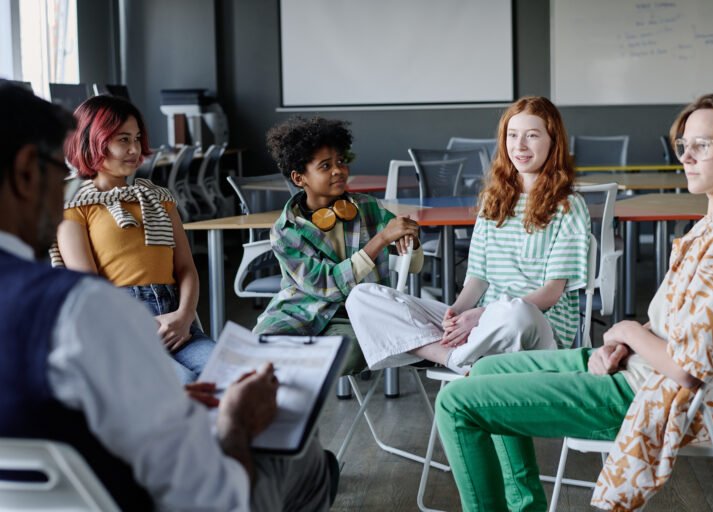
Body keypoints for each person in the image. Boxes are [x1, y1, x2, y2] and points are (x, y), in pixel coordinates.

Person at [0, 81, 335, 510]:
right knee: (302, 449)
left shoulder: (151, 207)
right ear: (28, 171)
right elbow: (210, 499)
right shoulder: (78, 307)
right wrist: (232, 425)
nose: (63, 188)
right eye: (55, 170)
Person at [435, 91, 713, 511]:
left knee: (454, 402)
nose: (686, 156)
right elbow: (678, 330)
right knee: (484, 367)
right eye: (683, 146)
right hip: (634, 368)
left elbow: (688, 370)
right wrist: (620, 344)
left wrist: (626, 330)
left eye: (701, 145)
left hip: (649, 394)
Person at [346, 96, 591, 374]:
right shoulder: (493, 199)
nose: (519, 146)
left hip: (531, 324)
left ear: (552, 142)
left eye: (532, 136)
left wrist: (480, 316)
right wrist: (455, 315)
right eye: (512, 135)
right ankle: (452, 357)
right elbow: (477, 278)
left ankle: (457, 355)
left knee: (515, 312)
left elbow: (551, 293)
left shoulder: (568, 206)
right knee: (361, 296)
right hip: (483, 323)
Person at [54, 95, 214, 383]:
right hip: (117, 326)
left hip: (175, 317)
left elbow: (187, 269)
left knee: (227, 375)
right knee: (184, 386)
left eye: (137, 139)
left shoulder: (158, 198)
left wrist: (184, 316)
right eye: (123, 140)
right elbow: (89, 288)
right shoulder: (74, 204)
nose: (134, 149)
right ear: (94, 141)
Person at [253, 116, 423, 373]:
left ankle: (300, 381)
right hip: (299, 310)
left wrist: (411, 241)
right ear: (300, 178)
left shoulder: (369, 208)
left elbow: (414, 266)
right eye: (325, 166)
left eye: (341, 162)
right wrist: (380, 240)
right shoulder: (285, 231)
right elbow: (327, 286)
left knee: (345, 356)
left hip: (358, 314)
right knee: (258, 352)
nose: (338, 170)